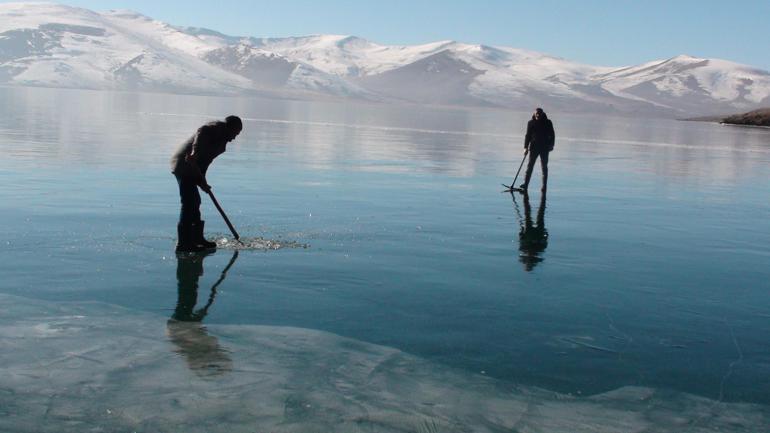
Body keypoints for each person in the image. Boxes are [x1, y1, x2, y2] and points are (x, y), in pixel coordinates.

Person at [170, 115, 242, 252]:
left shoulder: (222, 144)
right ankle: (183, 243)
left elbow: (205, 162)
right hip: (184, 164)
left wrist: (202, 181)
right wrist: (194, 153)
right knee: (189, 202)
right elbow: (201, 133)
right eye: (235, 133)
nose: (234, 138)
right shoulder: (214, 128)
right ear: (230, 128)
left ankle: (197, 239)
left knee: (195, 201)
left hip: (193, 169)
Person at [520, 108, 555, 192]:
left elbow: (552, 135)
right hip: (533, 148)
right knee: (530, 166)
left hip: (544, 148)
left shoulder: (548, 122)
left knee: (544, 167)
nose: (538, 116)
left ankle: (544, 186)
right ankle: (525, 184)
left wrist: (551, 145)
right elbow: (528, 135)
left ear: (542, 114)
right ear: (534, 114)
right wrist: (525, 147)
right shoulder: (531, 123)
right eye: (536, 114)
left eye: (539, 114)